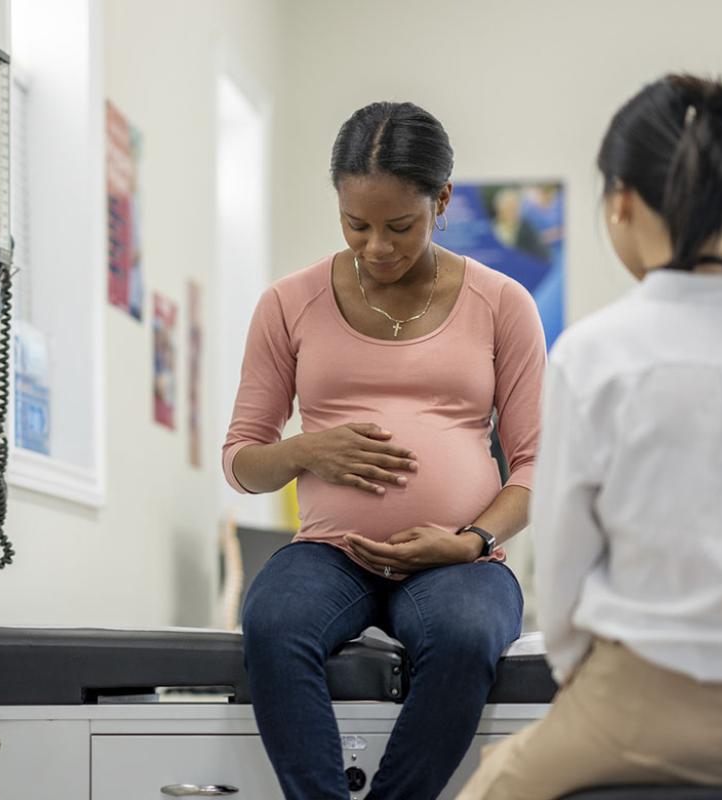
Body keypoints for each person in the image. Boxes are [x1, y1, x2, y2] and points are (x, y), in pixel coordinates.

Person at [460, 74, 722, 800]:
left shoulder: (596, 354)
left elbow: (561, 583)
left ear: (621, 200)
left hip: (646, 705)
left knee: (489, 785)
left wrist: (591, 687)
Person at [222, 101, 546, 799]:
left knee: (464, 638)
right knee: (272, 622)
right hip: (331, 553)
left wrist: (470, 539)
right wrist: (310, 449)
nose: (377, 246)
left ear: (443, 201)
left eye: (401, 225)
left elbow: (534, 466)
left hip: (458, 561)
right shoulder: (288, 303)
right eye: (356, 224)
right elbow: (243, 459)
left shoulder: (504, 303)